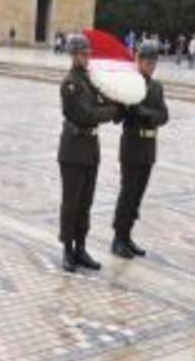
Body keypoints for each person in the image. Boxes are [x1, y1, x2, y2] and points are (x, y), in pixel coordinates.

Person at [57, 35, 121, 273]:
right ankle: (67, 249)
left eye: (87, 53)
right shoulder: (70, 84)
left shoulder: (90, 80)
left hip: (90, 148)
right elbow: (86, 113)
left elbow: (101, 104)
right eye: (83, 54)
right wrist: (113, 109)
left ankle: (81, 247)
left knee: (86, 202)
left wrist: (116, 104)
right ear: (73, 55)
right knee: (71, 202)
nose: (87, 57)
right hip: (73, 149)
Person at [111, 42, 169, 259]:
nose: (151, 66)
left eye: (154, 62)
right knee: (128, 193)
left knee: (138, 195)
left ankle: (127, 236)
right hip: (132, 145)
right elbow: (117, 118)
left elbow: (164, 116)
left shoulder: (156, 87)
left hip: (148, 148)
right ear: (138, 61)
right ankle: (118, 237)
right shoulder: (129, 86)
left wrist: (144, 113)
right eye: (147, 61)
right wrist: (123, 104)